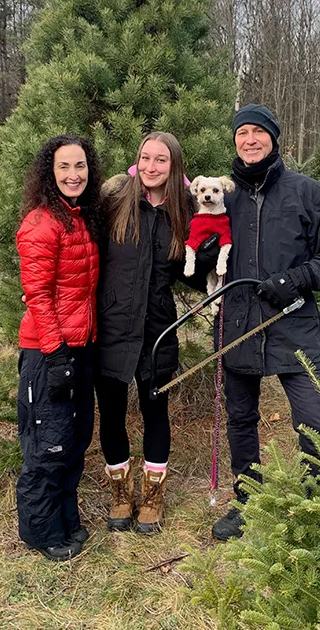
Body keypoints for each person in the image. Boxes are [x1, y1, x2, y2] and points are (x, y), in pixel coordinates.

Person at [211, 104, 320, 541]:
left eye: (258, 132)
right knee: (241, 419)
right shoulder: (223, 194)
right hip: (239, 325)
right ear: (234, 140)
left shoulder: (305, 192)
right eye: (242, 133)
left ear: (274, 139)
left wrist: (295, 279)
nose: (249, 139)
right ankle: (247, 499)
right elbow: (197, 241)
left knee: (316, 421)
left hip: (295, 324)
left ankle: (319, 500)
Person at [95, 131, 216, 534]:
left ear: (174, 165)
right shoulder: (115, 201)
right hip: (111, 326)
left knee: (154, 412)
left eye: (160, 160)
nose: (151, 166)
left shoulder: (186, 209)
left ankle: (152, 497)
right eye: (145, 158)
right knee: (111, 414)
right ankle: (119, 494)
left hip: (158, 328)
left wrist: (218, 268)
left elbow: (198, 273)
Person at [15, 134, 101, 561]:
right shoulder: (41, 223)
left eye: (80, 166)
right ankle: (42, 532)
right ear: (50, 172)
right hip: (49, 352)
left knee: (74, 438)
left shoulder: (80, 217)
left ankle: (67, 519)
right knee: (47, 443)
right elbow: (37, 294)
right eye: (64, 167)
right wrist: (55, 353)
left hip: (80, 347)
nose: (73, 174)